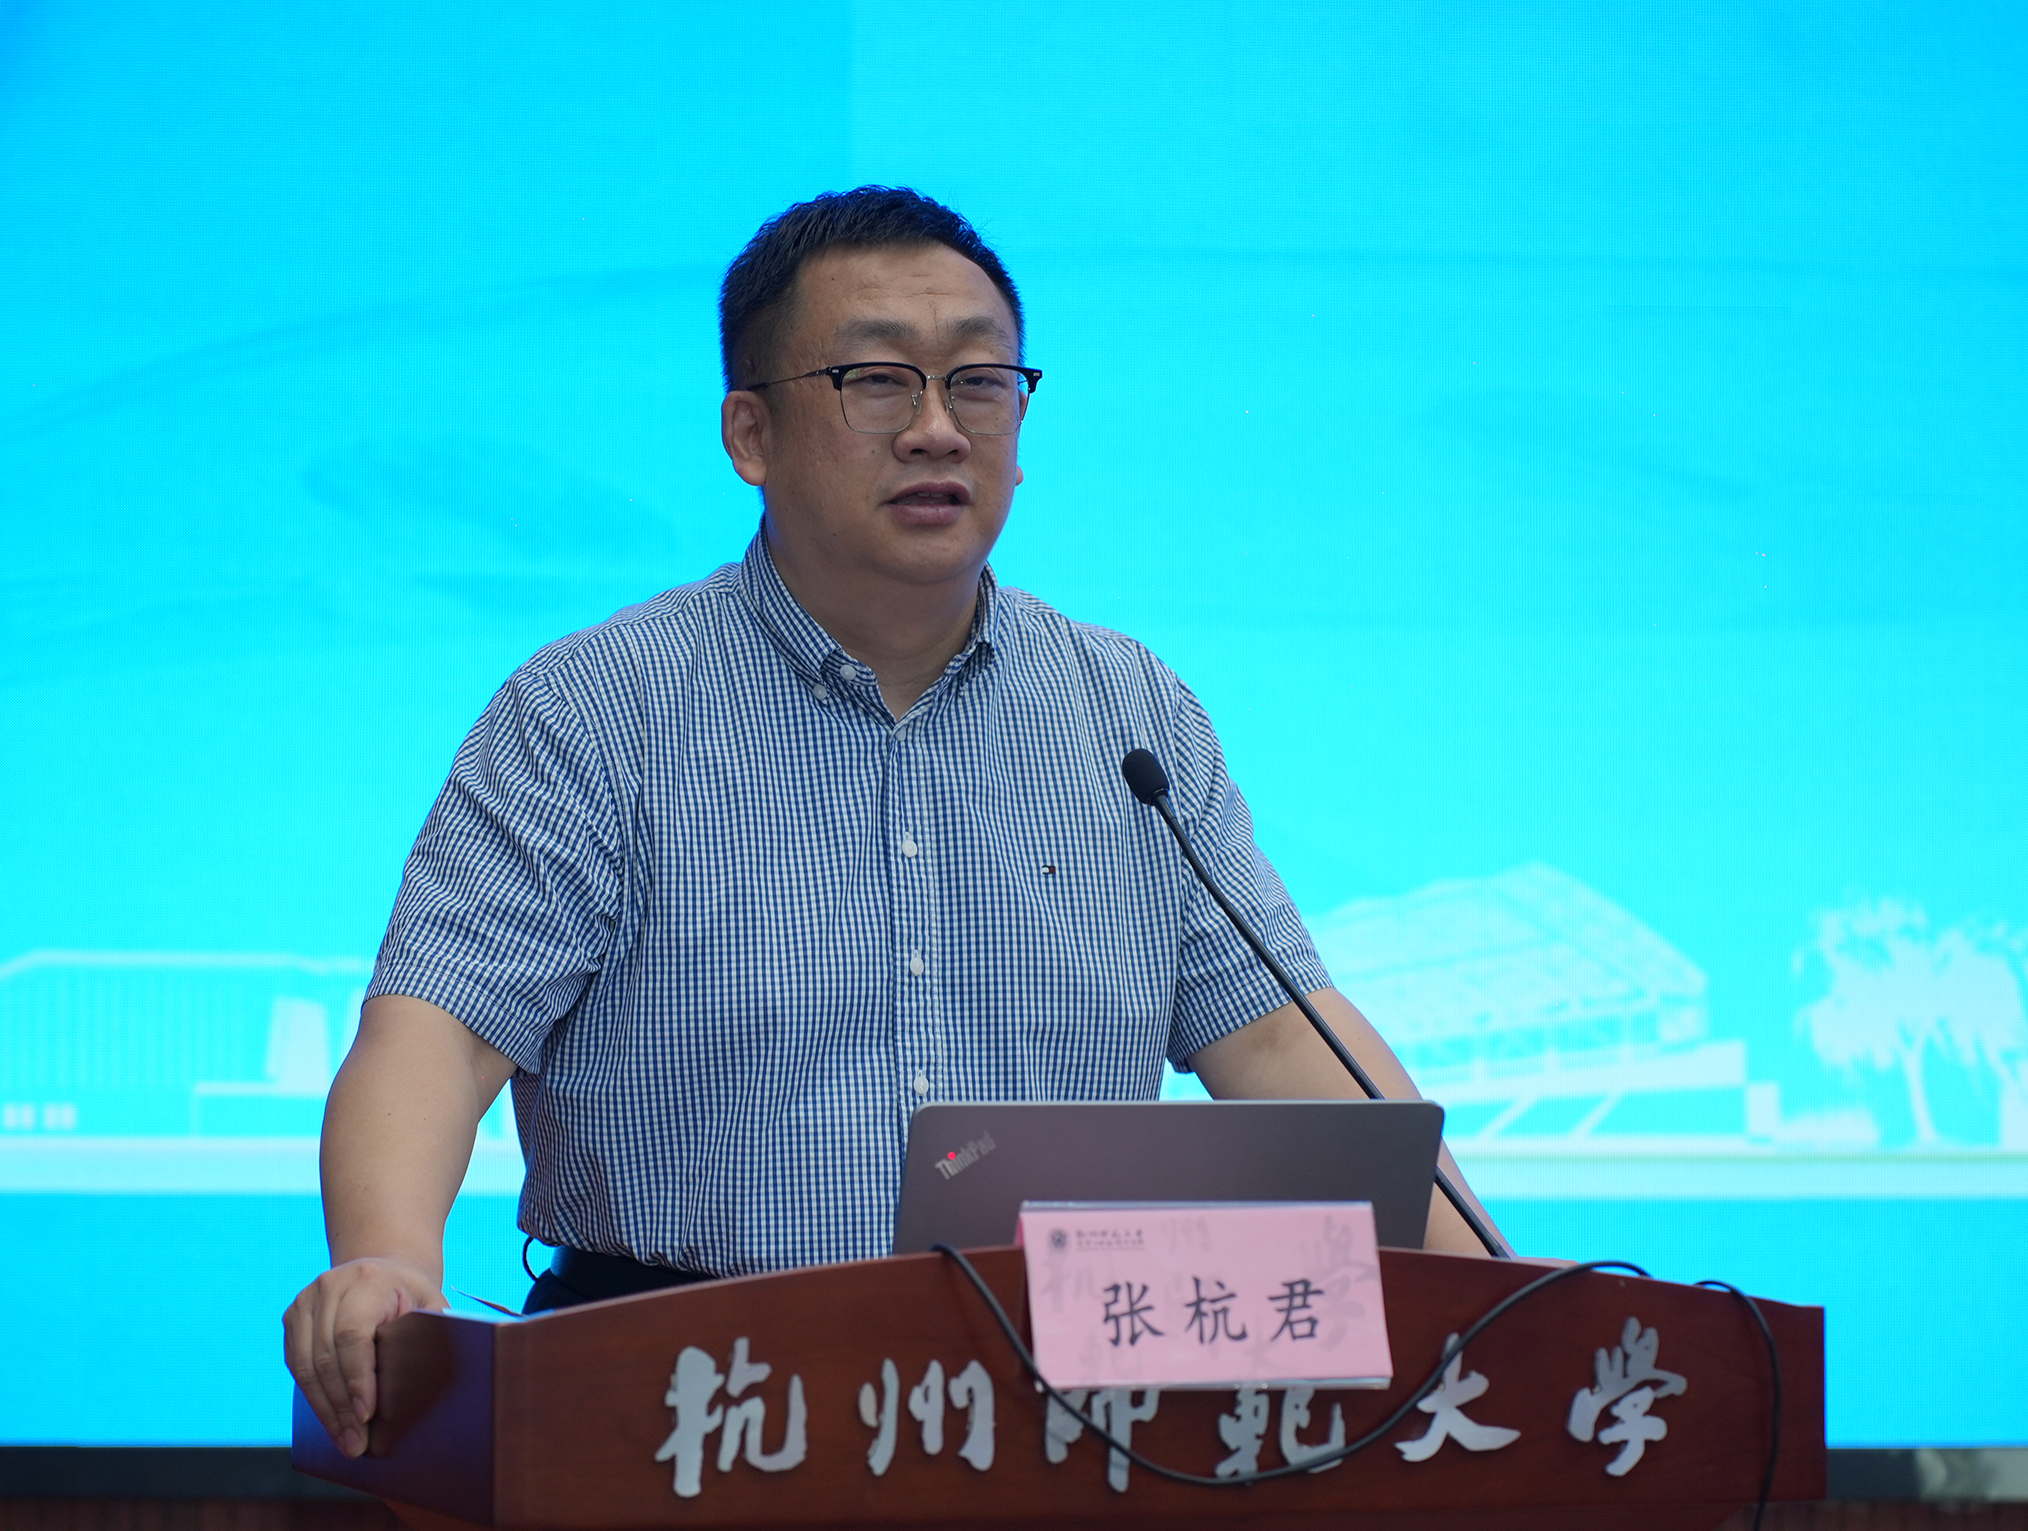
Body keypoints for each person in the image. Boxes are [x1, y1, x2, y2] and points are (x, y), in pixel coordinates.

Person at [284, 186, 1503, 1462]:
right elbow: (437, 1032)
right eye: (876, 382)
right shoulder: (596, 710)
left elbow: (1280, 1037)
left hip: (1079, 1416)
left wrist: (1499, 1292)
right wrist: (387, 1261)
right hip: (686, 1397)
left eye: (980, 382)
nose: (937, 428)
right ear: (751, 433)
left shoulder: (1127, 709)